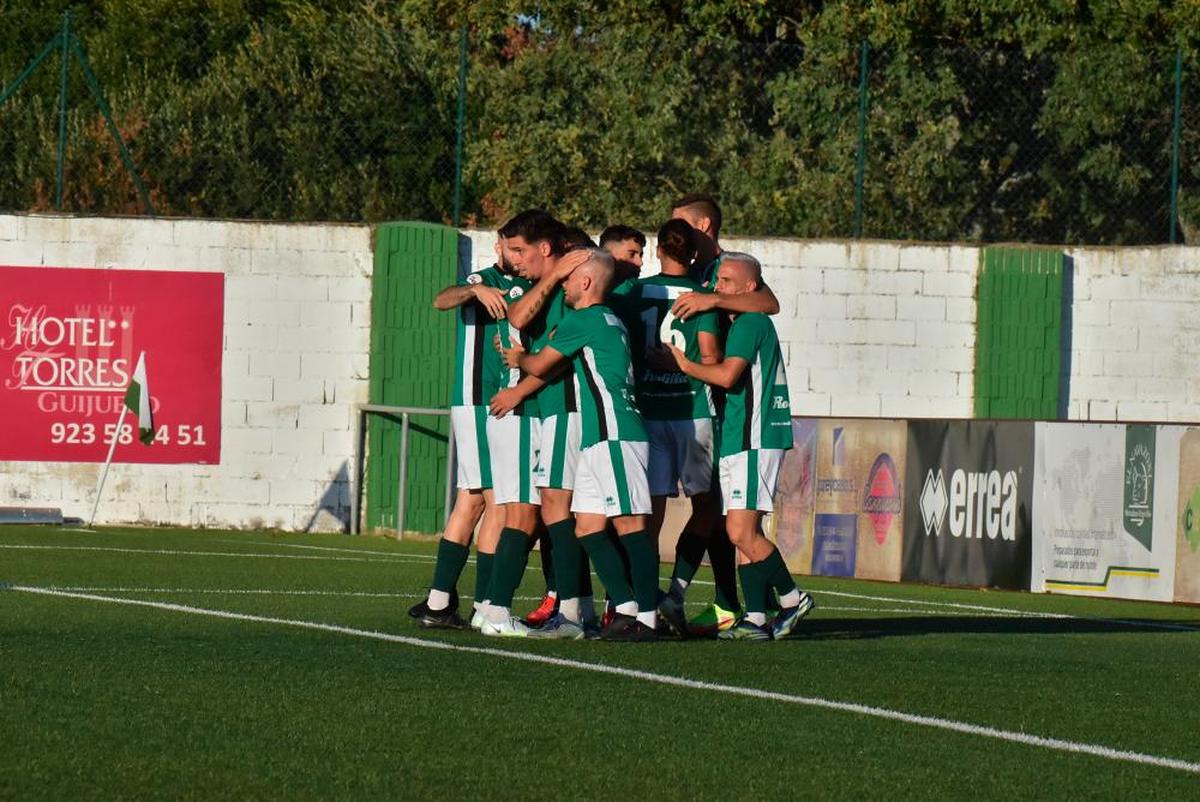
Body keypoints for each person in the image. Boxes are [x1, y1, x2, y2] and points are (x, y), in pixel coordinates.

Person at [505, 249, 659, 641]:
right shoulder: (608, 318)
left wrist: (519, 357)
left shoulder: (587, 318)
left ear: (586, 282)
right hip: (598, 437)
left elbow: (541, 365)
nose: (565, 287)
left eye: (569, 280)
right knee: (588, 527)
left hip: (616, 434)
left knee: (630, 523)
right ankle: (624, 608)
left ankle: (648, 617)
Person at [666, 252, 814, 641]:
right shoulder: (744, 321)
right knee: (745, 532)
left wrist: (684, 366)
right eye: (718, 280)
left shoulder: (750, 322)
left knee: (738, 531)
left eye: (728, 281)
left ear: (749, 287)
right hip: (741, 436)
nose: (718, 287)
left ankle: (791, 598)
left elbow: (729, 377)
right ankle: (756, 619)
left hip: (754, 435)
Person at [614, 219, 721, 636]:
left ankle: (643, 598)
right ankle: (675, 593)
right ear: (694, 253)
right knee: (706, 509)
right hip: (692, 411)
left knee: (648, 513)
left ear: (658, 250)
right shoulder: (702, 298)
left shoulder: (633, 292)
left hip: (647, 412)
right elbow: (710, 362)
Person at [409, 237, 512, 628]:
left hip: (496, 402)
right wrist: (475, 289)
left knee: (470, 500)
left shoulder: (534, 283)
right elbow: (441, 299)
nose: (516, 255)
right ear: (500, 244)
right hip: (480, 401)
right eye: (511, 247)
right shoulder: (482, 278)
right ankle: (486, 606)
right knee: (497, 500)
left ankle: (438, 602)